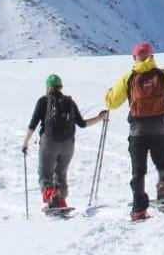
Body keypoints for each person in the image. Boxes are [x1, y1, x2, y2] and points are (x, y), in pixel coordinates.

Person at [105, 41, 164, 221]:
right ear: (152, 57)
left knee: (138, 171)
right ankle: (163, 188)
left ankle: (139, 209)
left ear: (134, 58)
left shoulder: (129, 77)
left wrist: (108, 94)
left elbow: (112, 103)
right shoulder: (162, 75)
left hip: (138, 130)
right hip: (160, 127)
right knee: (163, 165)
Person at [20, 73, 107, 212]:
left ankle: (50, 197)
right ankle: (60, 199)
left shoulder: (43, 101)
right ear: (60, 87)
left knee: (45, 172)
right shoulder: (69, 102)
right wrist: (100, 117)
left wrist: (25, 143)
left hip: (49, 143)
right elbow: (82, 124)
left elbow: (33, 124)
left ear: (48, 87)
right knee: (61, 172)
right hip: (68, 144)